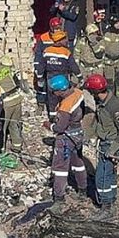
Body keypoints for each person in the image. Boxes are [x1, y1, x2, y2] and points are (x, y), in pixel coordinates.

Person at [85, 74, 119, 219]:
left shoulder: (113, 106)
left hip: (111, 145)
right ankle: (111, 198)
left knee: (102, 177)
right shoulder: (100, 102)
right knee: (109, 175)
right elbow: (98, 122)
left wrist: (112, 150)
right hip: (105, 143)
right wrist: (88, 136)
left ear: (96, 91)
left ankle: (106, 208)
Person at [46, 75, 87, 207]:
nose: (53, 94)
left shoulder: (65, 106)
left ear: (60, 91)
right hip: (78, 133)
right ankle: (83, 190)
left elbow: (59, 127)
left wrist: (49, 125)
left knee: (60, 168)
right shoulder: (78, 93)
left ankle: (59, 197)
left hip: (65, 138)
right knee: (78, 163)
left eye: (54, 91)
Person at [40, 31, 81, 121]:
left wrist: (40, 77)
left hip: (50, 77)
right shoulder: (66, 52)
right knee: (64, 96)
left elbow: (41, 65)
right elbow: (73, 66)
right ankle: (63, 116)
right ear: (59, 40)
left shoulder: (47, 51)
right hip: (63, 77)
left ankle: (53, 117)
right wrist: (79, 75)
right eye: (64, 39)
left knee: (52, 98)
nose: (66, 41)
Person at [32, 16, 64, 106]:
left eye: (59, 28)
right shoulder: (44, 37)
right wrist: (38, 66)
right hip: (46, 65)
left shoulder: (63, 37)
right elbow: (38, 53)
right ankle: (42, 103)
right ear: (51, 28)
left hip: (59, 65)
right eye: (56, 28)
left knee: (59, 85)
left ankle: (58, 103)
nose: (58, 30)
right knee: (42, 84)